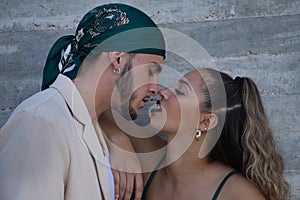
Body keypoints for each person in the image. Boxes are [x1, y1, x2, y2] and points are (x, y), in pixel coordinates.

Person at [0, 3, 165, 200]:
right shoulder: (41, 122)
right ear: (118, 59)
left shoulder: (91, 124)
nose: (155, 88)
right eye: (150, 71)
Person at [102, 68, 291, 200]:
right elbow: (101, 112)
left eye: (181, 91)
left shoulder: (236, 193)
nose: (162, 92)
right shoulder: (152, 161)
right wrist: (119, 141)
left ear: (205, 121)